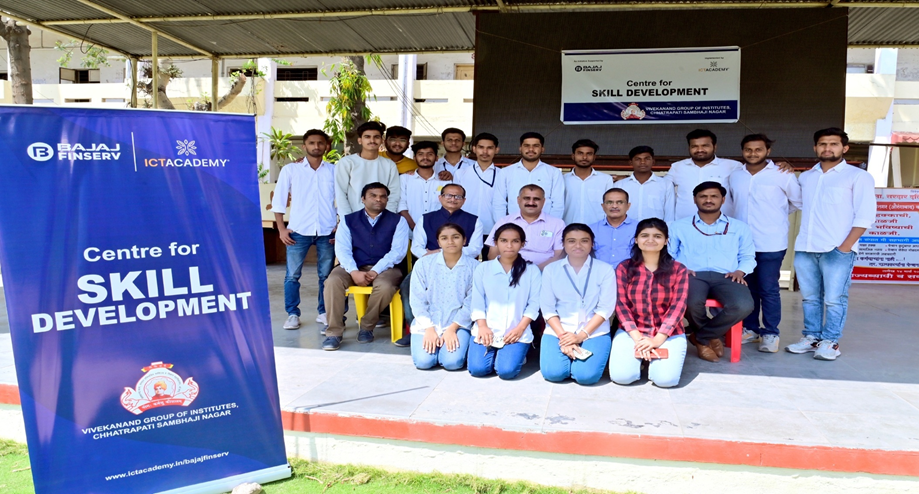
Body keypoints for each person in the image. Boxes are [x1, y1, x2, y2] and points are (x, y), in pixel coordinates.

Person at [786, 128, 877, 361]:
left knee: (834, 299)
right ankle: (812, 337)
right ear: (815, 148)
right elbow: (795, 204)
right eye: (822, 144)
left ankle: (831, 341)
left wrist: (844, 248)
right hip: (806, 248)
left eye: (833, 144)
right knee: (809, 298)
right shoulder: (806, 177)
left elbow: (865, 216)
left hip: (837, 250)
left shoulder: (858, 177)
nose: (827, 148)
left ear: (844, 148)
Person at [727, 134, 803, 353]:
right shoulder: (735, 176)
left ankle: (770, 333)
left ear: (767, 151)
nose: (753, 154)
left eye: (758, 149)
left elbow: (797, 202)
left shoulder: (782, 174)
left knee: (768, 288)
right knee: (746, 288)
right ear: (742, 151)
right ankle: (751, 330)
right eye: (748, 149)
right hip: (742, 243)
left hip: (771, 241)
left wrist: (776, 215)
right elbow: (731, 204)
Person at [669, 181, 755, 362]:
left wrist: (740, 272)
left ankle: (701, 337)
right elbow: (669, 255)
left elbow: (748, 256)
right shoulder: (678, 226)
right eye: (703, 196)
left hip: (728, 276)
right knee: (690, 303)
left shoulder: (739, 227)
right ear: (695, 199)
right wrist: (679, 269)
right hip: (691, 275)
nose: (708, 200)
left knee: (743, 305)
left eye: (714, 196)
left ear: (723, 199)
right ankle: (711, 337)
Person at [322, 183, 409, 351]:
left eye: (383, 196)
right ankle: (334, 333)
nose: (378, 199)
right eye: (373, 195)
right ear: (363, 199)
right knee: (332, 281)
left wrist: (376, 270)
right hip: (353, 265)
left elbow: (397, 252)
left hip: (387, 268)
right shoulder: (348, 220)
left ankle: (367, 326)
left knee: (385, 286)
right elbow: (342, 249)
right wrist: (354, 271)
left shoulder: (398, 221)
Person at [398, 183, 483, 347]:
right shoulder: (426, 219)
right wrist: (439, 255)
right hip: (430, 266)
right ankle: (416, 328)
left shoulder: (474, 221)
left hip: (461, 266)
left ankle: (458, 328)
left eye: (458, 196)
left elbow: (474, 248)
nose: (453, 199)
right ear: (440, 198)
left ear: (464, 200)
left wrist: (447, 252)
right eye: (448, 195)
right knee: (406, 287)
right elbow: (416, 247)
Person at [610, 218, 689, 388]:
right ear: (636, 240)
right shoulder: (624, 268)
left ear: (666, 241)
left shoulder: (678, 269)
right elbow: (621, 306)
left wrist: (657, 340)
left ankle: (652, 361)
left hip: (667, 333)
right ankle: (641, 358)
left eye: (657, 236)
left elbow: (678, 306)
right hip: (632, 332)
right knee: (622, 377)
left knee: (665, 381)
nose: (651, 240)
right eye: (645, 235)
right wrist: (639, 339)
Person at [272, 129, 336, 330]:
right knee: (292, 275)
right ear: (304, 146)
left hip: (327, 230)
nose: (316, 146)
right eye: (311, 143)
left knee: (326, 276)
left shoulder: (334, 170)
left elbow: (343, 200)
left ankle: (323, 312)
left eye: (320, 143)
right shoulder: (291, 170)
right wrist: (281, 229)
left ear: (326, 146)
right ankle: (292, 314)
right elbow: (279, 200)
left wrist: (340, 226)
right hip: (298, 231)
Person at [540, 224, 616, 385]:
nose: (578, 245)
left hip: (594, 331)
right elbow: (547, 308)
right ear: (563, 243)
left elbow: (605, 309)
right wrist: (564, 337)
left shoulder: (605, 270)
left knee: (586, 377)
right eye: (571, 241)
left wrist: (580, 336)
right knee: (553, 374)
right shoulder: (551, 270)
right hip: (559, 330)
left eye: (584, 241)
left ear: (592, 244)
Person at [469, 224, 541, 380]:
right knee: (478, 369)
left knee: (506, 371)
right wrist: (482, 327)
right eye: (503, 240)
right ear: (496, 242)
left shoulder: (531, 270)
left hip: (516, 331)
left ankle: (516, 354)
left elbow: (534, 303)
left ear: (522, 244)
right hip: (487, 329)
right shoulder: (483, 268)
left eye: (515, 241)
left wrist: (520, 329)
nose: (509, 245)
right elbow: (477, 300)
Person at [410, 223, 478, 371]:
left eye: (456, 237)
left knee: (452, 363)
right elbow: (417, 300)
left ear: (464, 240)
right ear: (438, 242)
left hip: (458, 323)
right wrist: (429, 329)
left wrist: (452, 329)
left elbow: (471, 302)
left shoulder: (475, 267)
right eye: (444, 238)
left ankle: (448, 350)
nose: (450, 242)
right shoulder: (423, 264)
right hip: (427, 322)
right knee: (424, 362)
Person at [665, 129, 742, 220]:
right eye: (694, 146)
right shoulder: (677, 167)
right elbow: (663, 191)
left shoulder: (732, 166)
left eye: (705, 146)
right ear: (689, 148)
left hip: (723, 223)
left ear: (715, 147)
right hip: (685, 224)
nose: (700, 150)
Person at [487, 184, 564, 270]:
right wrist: (510, 271)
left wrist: (534, 271)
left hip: (544, 273)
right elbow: (493, 253)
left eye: (536, 199)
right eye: (526, 198)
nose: (531, 203)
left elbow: (559, 256)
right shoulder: (504, 222)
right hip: (509, 272)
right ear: (518, 200)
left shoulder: (557, 224)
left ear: (543, 201)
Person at [493, 132, 565, 220]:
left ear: (542, 149)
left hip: (544, 224)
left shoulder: (554, 172)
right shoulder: (506, 172)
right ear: (520, 148)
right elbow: (499, 203)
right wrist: (503, 225)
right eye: (526, 145)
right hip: (513, 224)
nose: (531, 149)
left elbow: (558, 204)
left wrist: (552, 224)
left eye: (536, 146)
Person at [335, 121, 401, 216]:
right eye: (367, 137)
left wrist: (386, 218)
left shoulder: (389, 165)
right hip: (354, 217)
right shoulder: (347, 163)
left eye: (376, 137)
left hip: (382, 218)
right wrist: (347, 218)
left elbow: (394, 194)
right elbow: (340, 193)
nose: (372, 140)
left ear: (382, 140)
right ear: (359, 140)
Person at [454, 132, 501, 244]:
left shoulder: (503, 175)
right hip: (465, 227)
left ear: (496, 150)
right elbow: (455, 201)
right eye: (481, 147)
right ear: (474, 149)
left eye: (489, 148)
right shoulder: (461, 173)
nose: (485, 152)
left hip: (493, 228)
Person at [616, 146, 675, 222]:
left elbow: (669, 214)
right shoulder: (620, 185)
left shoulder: (666, 185)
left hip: (655, 228)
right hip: (626, 228)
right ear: (631, 163)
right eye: (638, 159)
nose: (642, 162)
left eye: (647, 159)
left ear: (653, 162)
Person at [399, 141, 447, 232]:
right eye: (420, 154)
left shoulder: (445, 181)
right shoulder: (404, 179)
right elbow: (401, 205)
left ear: (436, 158)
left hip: (438, 232)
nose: (425, 157)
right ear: (414, 158)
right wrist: (414, 227)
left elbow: (448, 207)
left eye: (430, 154)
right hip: (409, 231)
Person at [563, 139, 614, 225]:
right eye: (580, 153)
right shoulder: (563, 179)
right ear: (573, 156)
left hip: (598, 228)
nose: (584, 157)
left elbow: (610, 205)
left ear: (594, 157)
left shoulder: (606, 179)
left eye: (589, 154)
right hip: (568, 227)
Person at [590, 188, 637, 268]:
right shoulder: (591, 229)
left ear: (628, 206)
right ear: (603, 206)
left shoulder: (639, 228)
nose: (614, 206)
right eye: (609, 202)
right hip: (598, 274)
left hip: (630, 274)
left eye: (620, 202)